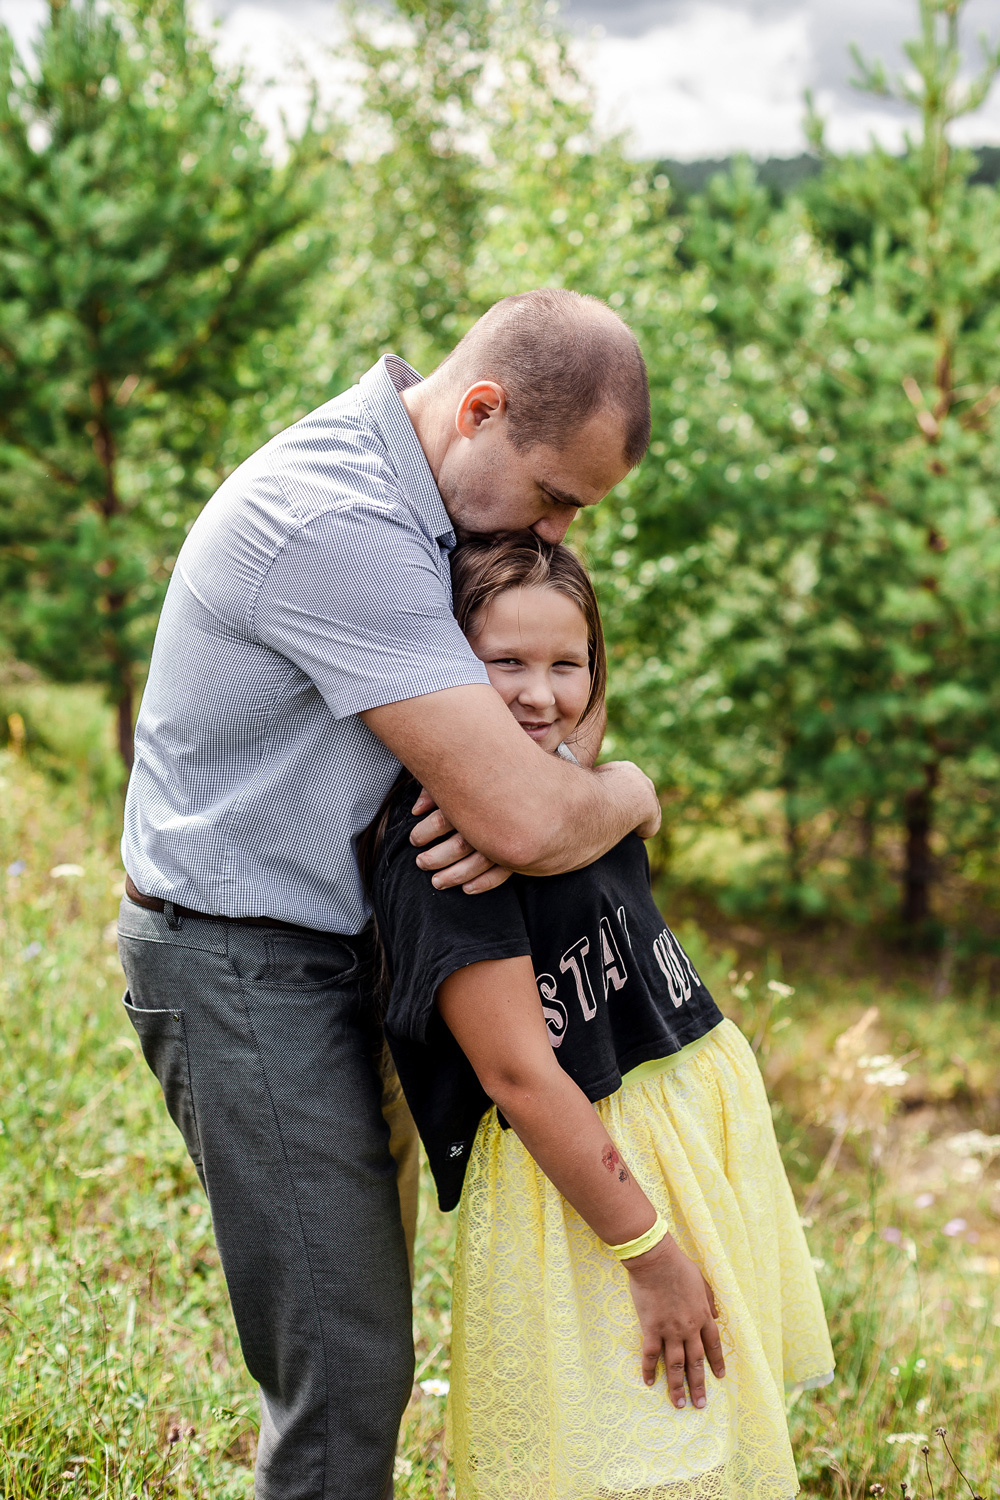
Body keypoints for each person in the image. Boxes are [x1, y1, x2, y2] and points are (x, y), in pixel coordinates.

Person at [116, 288, 663, 1500]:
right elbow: (525, 811)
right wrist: (623, 792)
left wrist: (546, 777)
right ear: (479, 410)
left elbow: (561, 680)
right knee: (346, 1373)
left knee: (362, 1335)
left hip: (355, 957)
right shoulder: (334, 519)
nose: (565, 532)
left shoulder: (442, 497)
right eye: (558, 497)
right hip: (245, 963)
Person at [364, 533, 834, 1500]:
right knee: (626, 1454)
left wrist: (624, 790)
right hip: (592, 1195)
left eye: (565, 663)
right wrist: (650, 1253)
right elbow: (520, 1077)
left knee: (703, 1434)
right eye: (504, 664)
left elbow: (589, 744)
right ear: (446, 668)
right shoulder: (446, 846)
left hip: (681, 1157)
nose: (541, 694)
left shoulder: (575, 791)